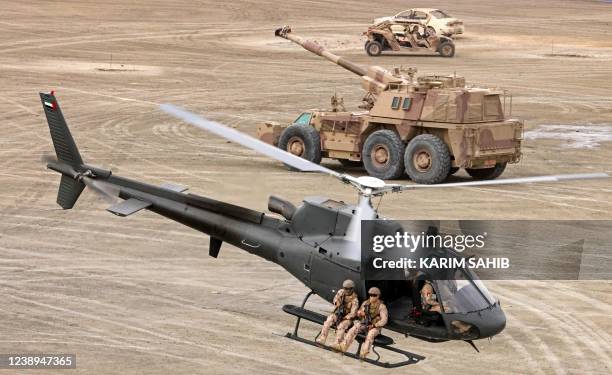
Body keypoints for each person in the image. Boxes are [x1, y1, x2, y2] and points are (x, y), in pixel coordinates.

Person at [334, 286, 388, 359]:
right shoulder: (366, 303)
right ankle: (344, 346)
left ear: (378, 296)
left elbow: (384, 320)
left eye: (374, 295)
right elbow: (358, 313)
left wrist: (375, 325)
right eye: (371, 295)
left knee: (370, 335)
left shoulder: (382, 307)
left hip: (375, 327)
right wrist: (360, 313)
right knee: (353, 329)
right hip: (364, 323)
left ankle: (364, 353)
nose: (372, 297)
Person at [316, 279, 359, 346]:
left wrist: (346, 317)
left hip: (347, 319)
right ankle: (322, 339)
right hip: (338, 313)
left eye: (349, 289)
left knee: (341, 326)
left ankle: (337, 344)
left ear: (352, 289)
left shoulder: (355, 300)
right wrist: (337, 302)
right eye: (346, 288)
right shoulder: (341, 292)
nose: (347, 290)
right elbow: (335, 299)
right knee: (329, 320)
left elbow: (353, 313)